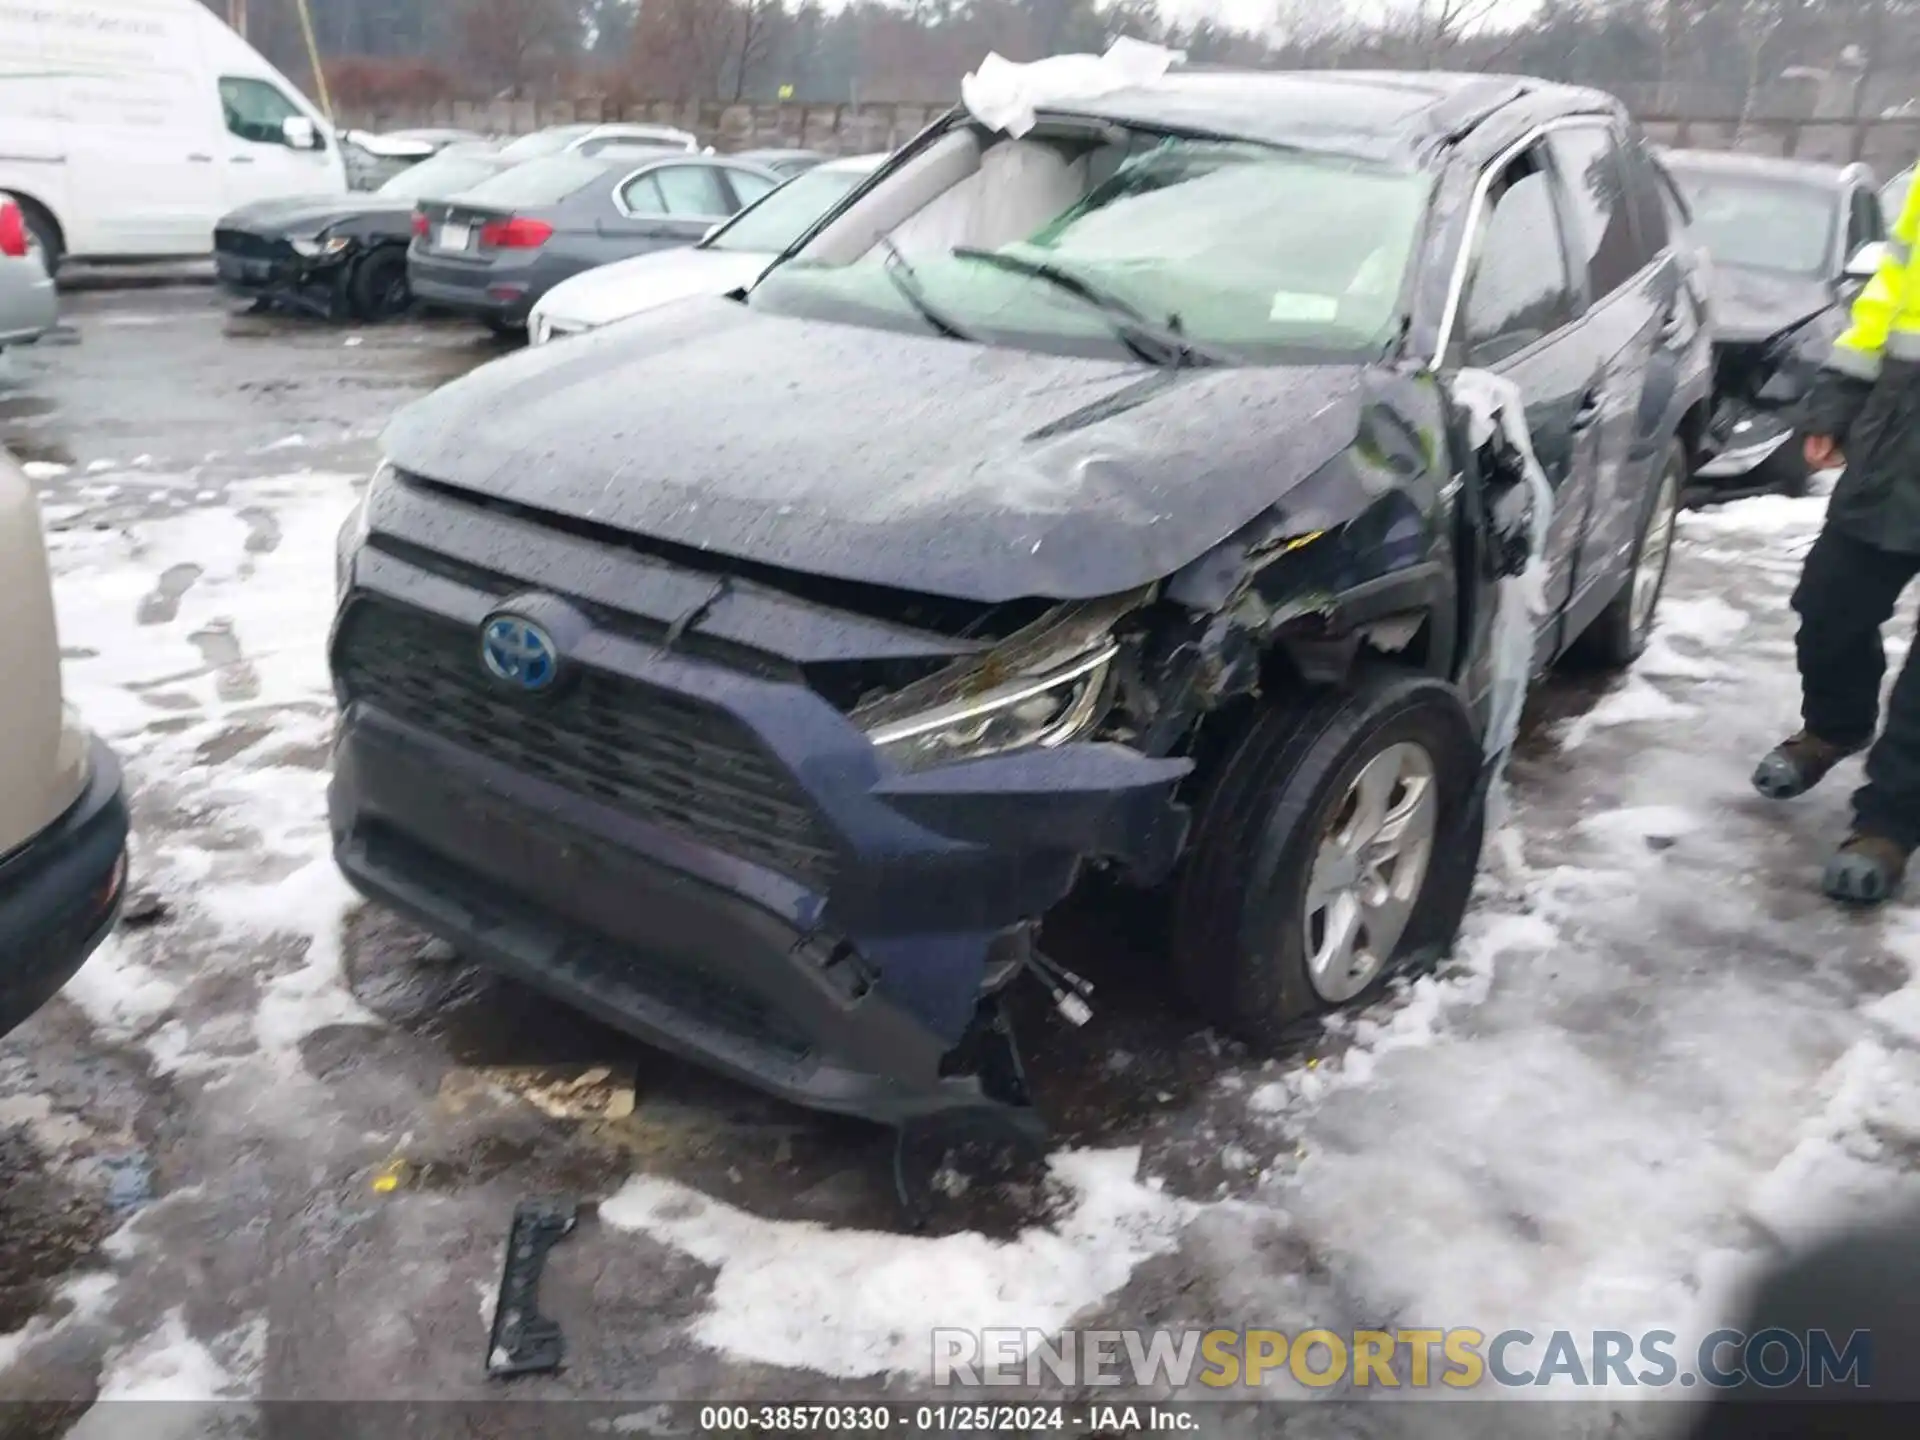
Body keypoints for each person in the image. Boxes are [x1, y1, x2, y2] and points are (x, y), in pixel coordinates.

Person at [1752, 160, 1920, 905]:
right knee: (1827, 609)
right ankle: (1835, 727)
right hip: (1895, 447)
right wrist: (1837, 400)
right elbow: (1884, 302)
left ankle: (1886, 825)